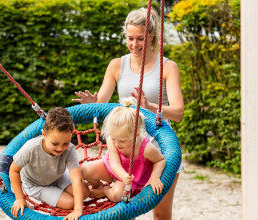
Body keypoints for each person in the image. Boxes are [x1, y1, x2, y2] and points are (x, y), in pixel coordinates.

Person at [72, 7, 184, 220]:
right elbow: (102, 104)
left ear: (151, 36)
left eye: (140, 38)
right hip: (126, 148)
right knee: (124, 211)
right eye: (130, 38)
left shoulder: (168, 67)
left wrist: (149, 106)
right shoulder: (116, 65)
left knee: (161, 213)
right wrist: (93, 103)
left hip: (158, 147)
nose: (134, 44)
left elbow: (178, 113)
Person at [9, 107, 89, 220]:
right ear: (44, 134)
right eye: (55, 143)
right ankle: (54, 196)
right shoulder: (31, 148)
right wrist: (20, 198)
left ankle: (62, 192)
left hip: (58, 176)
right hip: (36, 185)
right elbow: (14, 170)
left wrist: (78, 210)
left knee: (84, 191)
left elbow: (76, 179)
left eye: (65, 143)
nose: (60, 148)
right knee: (70, 203)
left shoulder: (69, 149)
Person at [81, 97, 166, 202]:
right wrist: (123, 175)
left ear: (137, 134)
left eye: (122, 141)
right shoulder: (112, 140)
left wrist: (154, 177)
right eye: (114, 139)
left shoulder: (146, 148)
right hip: (113, 169)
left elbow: (160, 160)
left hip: (131, 178)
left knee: (117, 196)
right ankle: (97, 186)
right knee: (84, 169)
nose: (117, 144)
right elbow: (114, 163)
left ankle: (105, 191)